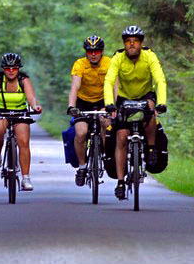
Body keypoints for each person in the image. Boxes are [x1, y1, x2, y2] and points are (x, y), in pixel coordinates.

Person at [103, 26, 167, 200]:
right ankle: (121, 182)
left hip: (145, 95)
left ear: (141, 43)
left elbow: (160, 79)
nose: (132, 45)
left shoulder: (149, 56)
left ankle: (152, 148)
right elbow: (109, 81)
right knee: (122, 136)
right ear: (124, 44)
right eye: (128, 42)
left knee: (151, 112)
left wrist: (162, 102)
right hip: (124, 98)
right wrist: (109, 103)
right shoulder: (118, 57)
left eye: (135, 41)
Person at [0, 53, 42, 191]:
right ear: (3, 69)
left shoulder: (23, 79)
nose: (11, 71)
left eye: (14, 68)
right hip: (1, 111)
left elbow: (31, 98)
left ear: (18, 69)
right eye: (7, 68)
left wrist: (35, 106)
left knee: (23, 142)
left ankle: (26, 178)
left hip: (20, 112)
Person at [66, 35, 112, 186]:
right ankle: (82, 167)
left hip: (103, 100)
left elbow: (114, 85)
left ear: (102, 51)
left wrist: (113, 105)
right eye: (90, 51)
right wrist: (72, 106)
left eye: (96, 51)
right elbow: (75, 86)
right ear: (86, 52)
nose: (93, 54)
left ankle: (105, 156)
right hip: (83, 102)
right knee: (81, 133)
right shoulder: (80, 64)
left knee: (105, 123)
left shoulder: (109, 63)